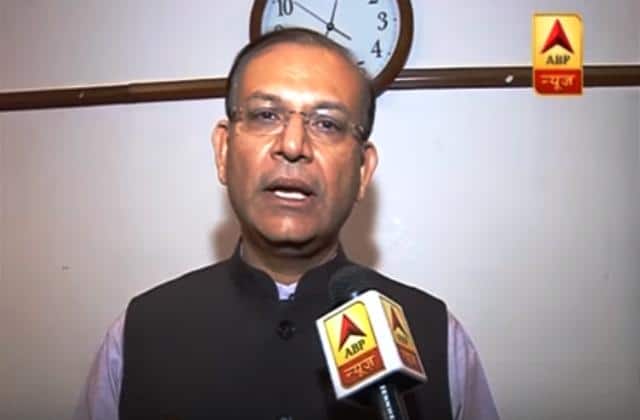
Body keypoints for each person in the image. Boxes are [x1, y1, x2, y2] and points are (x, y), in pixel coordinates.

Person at [74, 28, 499, 420]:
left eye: (327, 124)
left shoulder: (437, 338)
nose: (293, 145)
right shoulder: (137, 335)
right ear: (223, 151)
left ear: (363, 171)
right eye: (265, 115)